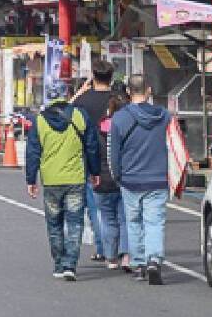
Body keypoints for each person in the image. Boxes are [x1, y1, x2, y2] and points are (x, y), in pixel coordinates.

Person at [24, 83, 101, 282]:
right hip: (75, 178)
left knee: (54, 223)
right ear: (66, 94)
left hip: (51, 180)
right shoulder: (80, 116)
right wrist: (95, 171)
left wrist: (31, 179)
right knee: (75, 223)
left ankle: (58, 263)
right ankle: (70, 265)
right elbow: (92, 146)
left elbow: (33, 152)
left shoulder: (39, 121)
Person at [110, 75, 175, 285]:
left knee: (134, 222)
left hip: (130, 178)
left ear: (128, 92)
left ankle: (138, 264)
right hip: (157, 177)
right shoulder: (164, 116)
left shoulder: (120, 118)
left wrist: (117, 174)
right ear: (148, 90)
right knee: (154, 222)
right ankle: (154, 259)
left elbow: (114, 153)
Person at [69, 59, 115, 264]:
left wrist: (79, 93)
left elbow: (64, 113)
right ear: (111, 77)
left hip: (88, 155)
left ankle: (101, 247)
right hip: (115, 154)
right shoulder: (117, 99)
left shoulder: (83, 101)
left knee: (96, 206)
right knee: (118, 207)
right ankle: (117, 248)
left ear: (93, 77)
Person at [95, 88, 129, 272]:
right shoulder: (126, 129)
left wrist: (93, 173)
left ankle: (111, 257)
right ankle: (126, 255)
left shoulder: (99, 129)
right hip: (123, 179)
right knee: (124, 219)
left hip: (102, 179)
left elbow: (93, 153)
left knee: (108, 219)